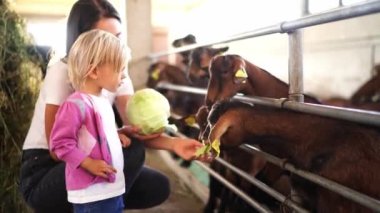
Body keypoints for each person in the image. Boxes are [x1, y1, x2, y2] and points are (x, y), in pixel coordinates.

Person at [19, 0, 203, 212]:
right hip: (45, 170)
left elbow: (136, 130)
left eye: (119, 38)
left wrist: (175, 144)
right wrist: (92, 161)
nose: (118, 48)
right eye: (107, 40)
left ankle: (102, 201)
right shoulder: (63, 73)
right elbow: (57, 148)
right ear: (85, 44)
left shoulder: (115, 73)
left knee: (157, 185)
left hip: (89, 157)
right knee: (132, 150)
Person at [50, 29, 127, 213]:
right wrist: (87, 163)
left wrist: (116, 137)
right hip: (92, 194)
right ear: (94, 71)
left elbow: (95, 135)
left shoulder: (102, 101)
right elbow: (60, 143)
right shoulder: (76, 104)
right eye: (119, 69)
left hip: (112, 190)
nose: (123, 75)